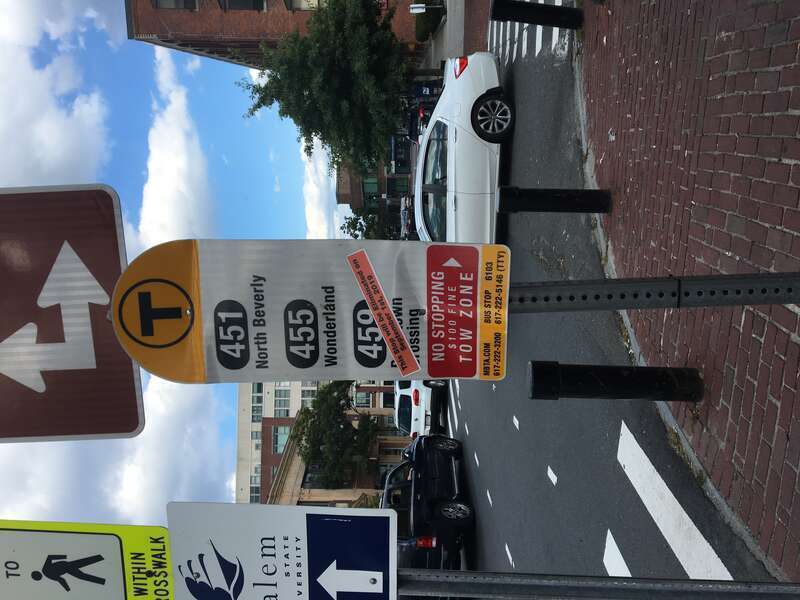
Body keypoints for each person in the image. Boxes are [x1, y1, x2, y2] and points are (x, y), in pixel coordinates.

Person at [31, 554, 106, 592]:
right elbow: (49, 557)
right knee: (85, 562)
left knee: (83, 576)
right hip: (66, 565)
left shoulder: (48, 573)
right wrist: (64, 557)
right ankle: (101, 556)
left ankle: (102, 581)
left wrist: (67, 589)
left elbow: (61, 580)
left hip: (67, 568)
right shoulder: (45, 569)